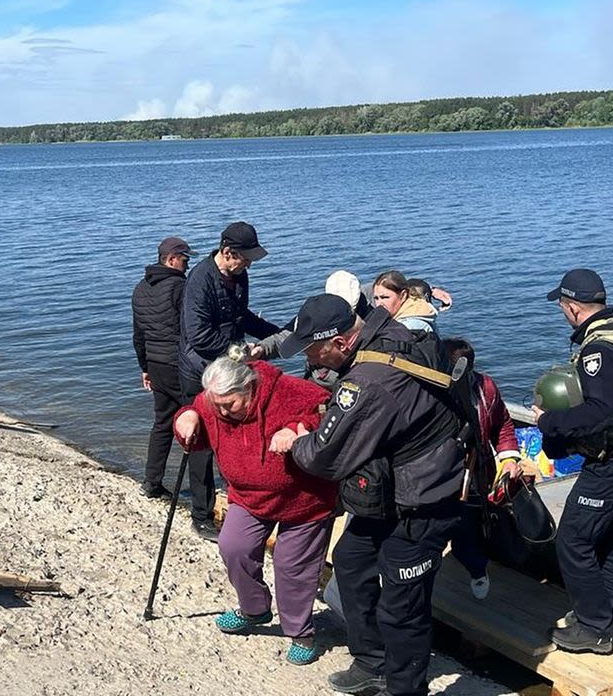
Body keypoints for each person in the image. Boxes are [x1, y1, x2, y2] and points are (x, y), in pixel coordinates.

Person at [271, 294, 468, 696]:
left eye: (312, 349)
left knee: (402, 607)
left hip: (423, 500)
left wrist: (296, 441)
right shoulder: (394, 332)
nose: (308, 359)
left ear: (340, 343)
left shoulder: (366, 382)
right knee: (351, 558)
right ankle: (372, 663)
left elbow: (326, 457)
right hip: (395, 486)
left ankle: (404, 688)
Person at [533, 269, 613, 655]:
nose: (562, 312)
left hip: (612, 462)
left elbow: (602, 412)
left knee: (573, 540)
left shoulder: (598, 351)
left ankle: (594, 629)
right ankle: (601, 616)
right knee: (609, 539)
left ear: (573, 307)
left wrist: (549, 421)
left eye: (562, 305)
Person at [173, 354, 336, 666]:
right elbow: (196, 427)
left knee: (291, 567)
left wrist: (296, 430)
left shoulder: (291, 392)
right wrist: (188, 417)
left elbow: (331, 415)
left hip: (305, 499)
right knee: (234, 546)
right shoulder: (212, 402)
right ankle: (254, 609)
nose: (220, 412)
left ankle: (300, 632)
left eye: (229, 405)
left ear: (249, 388)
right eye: (215, 405)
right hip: (248, 496)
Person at [177, 221, 281, 540]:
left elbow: (242, 316)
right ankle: (201, 514)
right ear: (227, 252)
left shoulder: (239, 275)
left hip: (229, 366)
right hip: (199, 370)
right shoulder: (199, 280)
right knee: (202, 443)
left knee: (237, 433)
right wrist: (239, 351)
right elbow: (199, 335)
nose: (248, 264)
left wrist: (275, 333)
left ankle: (236, 500)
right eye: (245, 258)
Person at [442, 337, 529, 599]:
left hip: (476, 472)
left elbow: (502, 423)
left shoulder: (486, 387)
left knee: (469, 523)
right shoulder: (429, 390)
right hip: (438, 474)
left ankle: (476, 567)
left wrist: (509, 458)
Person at [132, 236, 195, 499]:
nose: (188, 265)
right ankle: (203, 498)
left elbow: (138, 335)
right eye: (185, 260)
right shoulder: (180, 287)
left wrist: (145, 367)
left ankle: (151, 481)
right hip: (178, 365)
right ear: (171, 260)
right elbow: (189, 329)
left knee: (162, 423)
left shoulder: (140, 288)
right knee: (197, 420)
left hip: (156, 365)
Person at [371, 270, 439, 334]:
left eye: (385, 297)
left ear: (403, 295)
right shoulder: (419, 307)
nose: (379, 304)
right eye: (376, 298)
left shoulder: (410, 328)